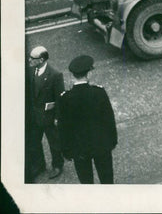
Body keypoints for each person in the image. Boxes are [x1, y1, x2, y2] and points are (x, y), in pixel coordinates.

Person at [56, 55, 117, 183]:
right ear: (88, 73)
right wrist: (112, 141)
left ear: (73, 75)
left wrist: (66, 150)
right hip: (101, 145)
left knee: (86, 182)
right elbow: (109, 120)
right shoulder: (99, 93)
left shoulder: (65, 98)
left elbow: (63, 127)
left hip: (79, 150)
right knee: (107, 180)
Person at [25, 46, 64, 181]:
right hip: (33, 115)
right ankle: (39, 165)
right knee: (34, 142)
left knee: (54, 142)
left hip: (48, 116)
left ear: (41, 60)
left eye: (32, 58)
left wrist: (58, 117)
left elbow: (60, 99)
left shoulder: (55, 75)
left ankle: (57, 165)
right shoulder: (30, 70)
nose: (29, 60)